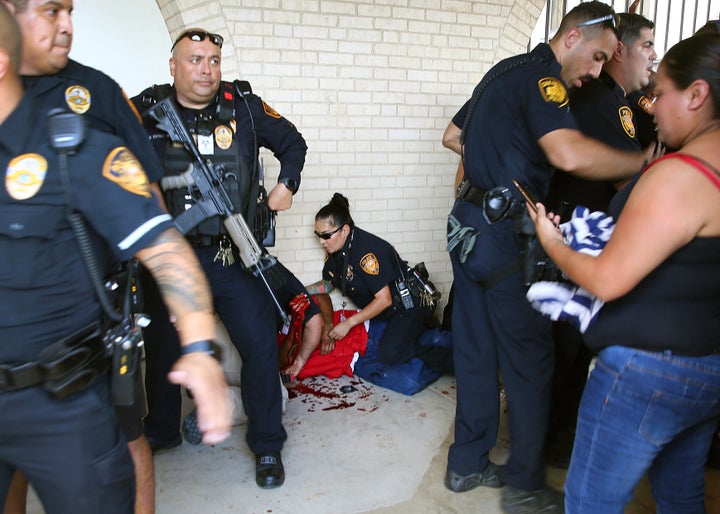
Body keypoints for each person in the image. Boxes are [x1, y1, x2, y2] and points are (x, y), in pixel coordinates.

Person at [0, 4, 231, 512]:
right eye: (50, 10)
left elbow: (157, 226)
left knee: (127, 443)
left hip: (77, 364)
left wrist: (198, 344)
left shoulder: (84, 119)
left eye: (67, 10)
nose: (65, 24)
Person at [444, 2, 656, 512]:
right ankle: (524, 485)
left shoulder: (503, 71)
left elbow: (455, 136)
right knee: (533, 357)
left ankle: (466, 465)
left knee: (475, 350)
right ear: (572, 38)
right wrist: (646, 162)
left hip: (464, 226)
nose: (596, 71)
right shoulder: (546, 81)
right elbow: (568, 154)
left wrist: (504, 167)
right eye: (597, 56)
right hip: (502, 237)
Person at [528, 33, 720, 513]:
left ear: (697, 95)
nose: (651, 108)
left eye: (662, 95)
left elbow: (607, 280)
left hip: (646, 369)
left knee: (590, 501)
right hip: (708, 365)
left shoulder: (679, 174)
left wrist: (553, 243)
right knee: (680, 495)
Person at [132, 27, 307, 489]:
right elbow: (104, 141)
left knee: (259, 345)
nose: (206, 69)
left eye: (213, 60)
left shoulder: (244, 109)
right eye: (194, 59)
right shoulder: (147, 109)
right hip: (170, 260)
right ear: (173, 66)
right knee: (164, 348)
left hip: (232, 256)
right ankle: (163, 430)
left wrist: (286, 185)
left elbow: (293, 142)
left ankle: (268, 443)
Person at [543, 12, 657, 468]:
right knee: (565, 346)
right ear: (620, 51)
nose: (652, 54)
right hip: (575, 235)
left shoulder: (622, 103)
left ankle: (558, 433)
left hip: (589, 237)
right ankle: (551, 439)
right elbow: (628, 178)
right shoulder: (596, 99)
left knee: (576, 346)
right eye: (647, 44)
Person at [305, 193, 453, 376]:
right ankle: (421, 336)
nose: (321, 241)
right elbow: (328, 284)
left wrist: (348, 324)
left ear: (344, 230)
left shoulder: (365, 253)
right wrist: (301, 291)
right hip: (388, 312)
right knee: (376, 345)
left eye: (326, 235)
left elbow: (384, 299)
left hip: (408, 308)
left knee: (389, 354)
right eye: (318, 235)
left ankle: (448, 355)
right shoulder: (337, 250)